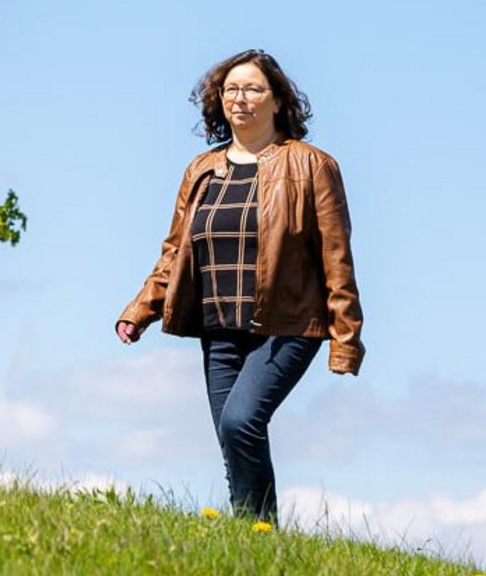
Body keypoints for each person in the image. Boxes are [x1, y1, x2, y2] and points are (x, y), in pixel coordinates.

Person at [114, 49, 364, 525]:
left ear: (278, 102)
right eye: (231, 90)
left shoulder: (312, 166)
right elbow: (175, 251)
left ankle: (257, 530)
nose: (240, 99)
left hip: (289, 324)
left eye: (253, 89)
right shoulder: (201, 170)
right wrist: (139, 309)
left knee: (241, 420)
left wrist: (345, 340)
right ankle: (253, 540)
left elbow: (336, 255)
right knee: (233, 438)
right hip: (218, 327)